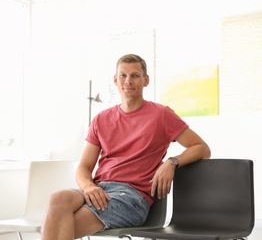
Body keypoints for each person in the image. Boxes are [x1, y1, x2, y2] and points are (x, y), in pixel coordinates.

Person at [41, 54, 211, 240]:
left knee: (59, 227)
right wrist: (89, 187)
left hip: (131, 197)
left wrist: (172, 162)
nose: (128, 81)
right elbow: (84, 168)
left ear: (146, 81)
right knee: (57, 199)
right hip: (99, 190)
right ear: (115, 80)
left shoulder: (161, 115)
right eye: (123, 75)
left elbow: (201, 147)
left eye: (135, 76)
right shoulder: (101, 119)